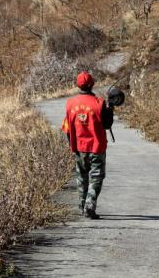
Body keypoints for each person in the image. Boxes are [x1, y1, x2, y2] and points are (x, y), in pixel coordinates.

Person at [62, 71, 114, 219]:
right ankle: (90, 204)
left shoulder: (70, 103)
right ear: (92, 84)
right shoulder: (99, 103)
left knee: (81, 177)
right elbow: (107, 124)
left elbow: (67, 128)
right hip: (96, 146)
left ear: (78, 85)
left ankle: (82, 205)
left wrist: (72, 144)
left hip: (79, 146)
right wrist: (110, 109)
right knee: (96, 176)